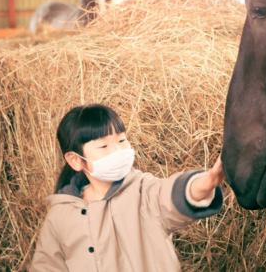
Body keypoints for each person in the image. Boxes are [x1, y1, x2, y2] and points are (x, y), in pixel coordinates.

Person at [29, 104, 224, 271]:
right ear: (75, 160)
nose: (118, 151)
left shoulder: (142, 191)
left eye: (122, 141)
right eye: (103, 147)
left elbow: (169, 194)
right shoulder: (61, 215)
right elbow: (47, 266)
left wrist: (204, 182)